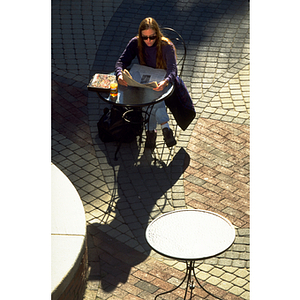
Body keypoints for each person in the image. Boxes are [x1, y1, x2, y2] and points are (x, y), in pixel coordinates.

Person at [115, 17, 177, 149]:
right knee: (148, 96)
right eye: (145, 37)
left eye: (152, 37)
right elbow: (121, 62)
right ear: (140, 35)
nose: (148, 41)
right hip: (145, 82)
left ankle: (151, 132)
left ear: (158, 34)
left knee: (151, 97)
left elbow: (172, 70)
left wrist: (165, 82)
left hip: (164, 83)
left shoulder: (167, 46)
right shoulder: (135, 43)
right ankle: (165, 127)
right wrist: (120, 75)